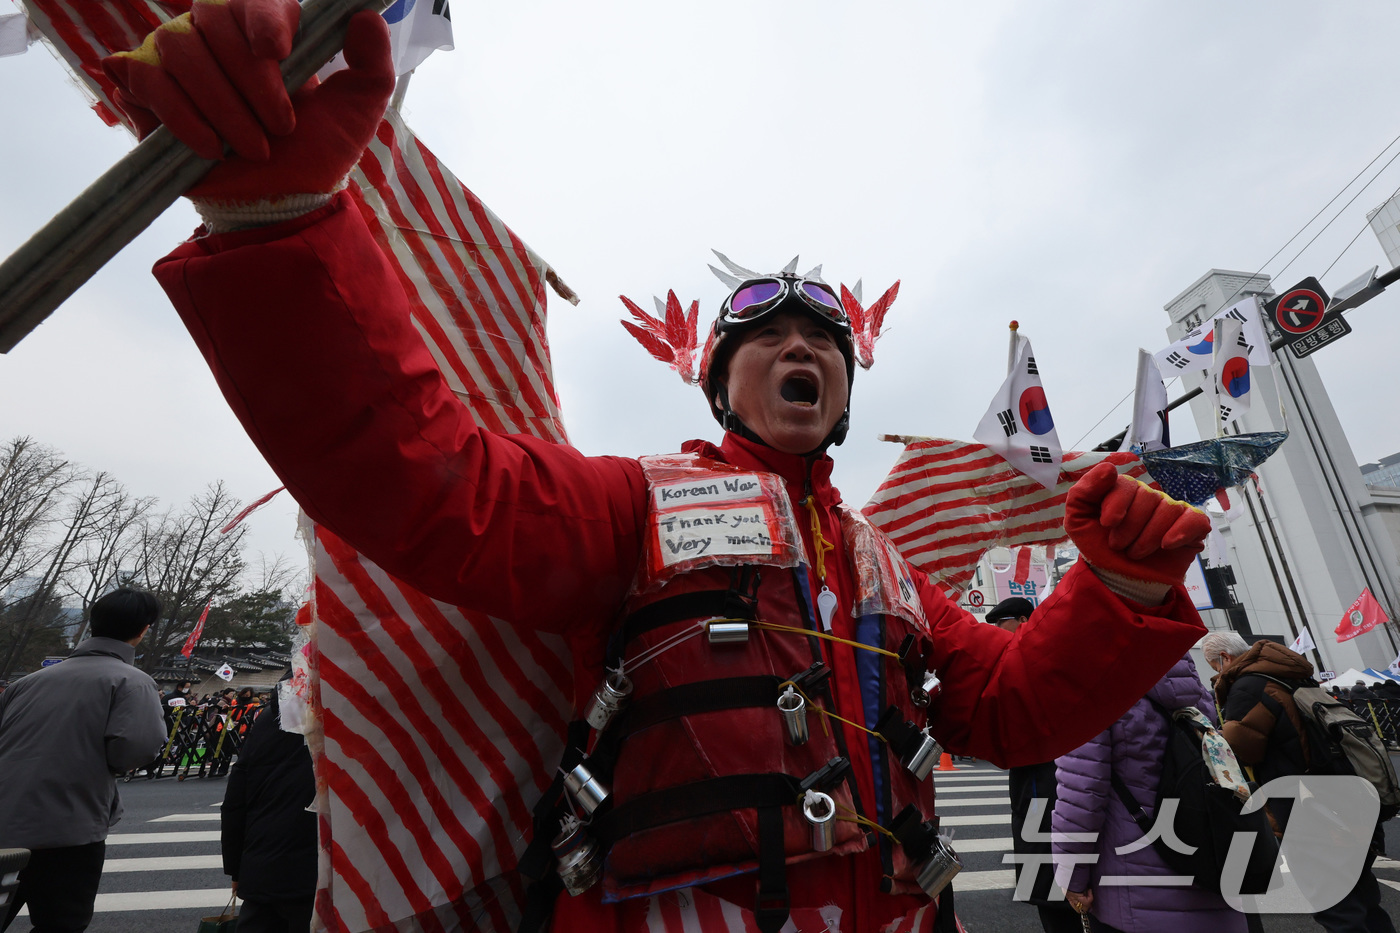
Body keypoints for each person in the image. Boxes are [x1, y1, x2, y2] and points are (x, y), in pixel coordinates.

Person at [100, 4, 1215, 929]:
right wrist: (281, 223)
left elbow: (1008, 714)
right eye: (767, 342)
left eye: (823, 344)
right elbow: (429, 484)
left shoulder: (883, 564)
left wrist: (1113, 592)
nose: (800, 352)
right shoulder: (634, 500)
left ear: (841, 391)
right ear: (718, 384)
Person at [1202, 631, 1397, 933]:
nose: (1216, 673)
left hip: (1305, 809)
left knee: (1335, 905)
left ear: (1225, 658)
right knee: (1363, 897)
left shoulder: (1248, 687)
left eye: (1214, 666)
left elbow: (1241, 748)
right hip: (1344, 797)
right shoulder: (1292, 677)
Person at [0, 588, 167, 932]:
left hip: (5, 823)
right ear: (144, 629)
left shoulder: (27, 683)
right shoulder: (131, 682)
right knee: (61, 923)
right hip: (68, 830)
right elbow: (135, 750)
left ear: (93, 622)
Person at [1051, 652, 1247, 933]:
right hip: (1212, 869)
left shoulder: (1087, 690)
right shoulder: (1195, 689)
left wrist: (1072, 878)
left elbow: (1080, 797)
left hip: (1136, 888)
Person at [989, 597, 1081, 933]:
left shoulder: (1043, 666)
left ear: (1025, 620)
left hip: (1053, 795)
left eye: (1002, 624)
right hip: (1035, 793)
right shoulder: (1025, 665)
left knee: (1060, 903)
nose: (997, 633)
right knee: (1050, 898)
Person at [221, 683, 317, 932]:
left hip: (263, 865)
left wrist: (236, 868)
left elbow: (236, 799)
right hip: (319, 871)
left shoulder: (269, 717)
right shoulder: (354, 716)